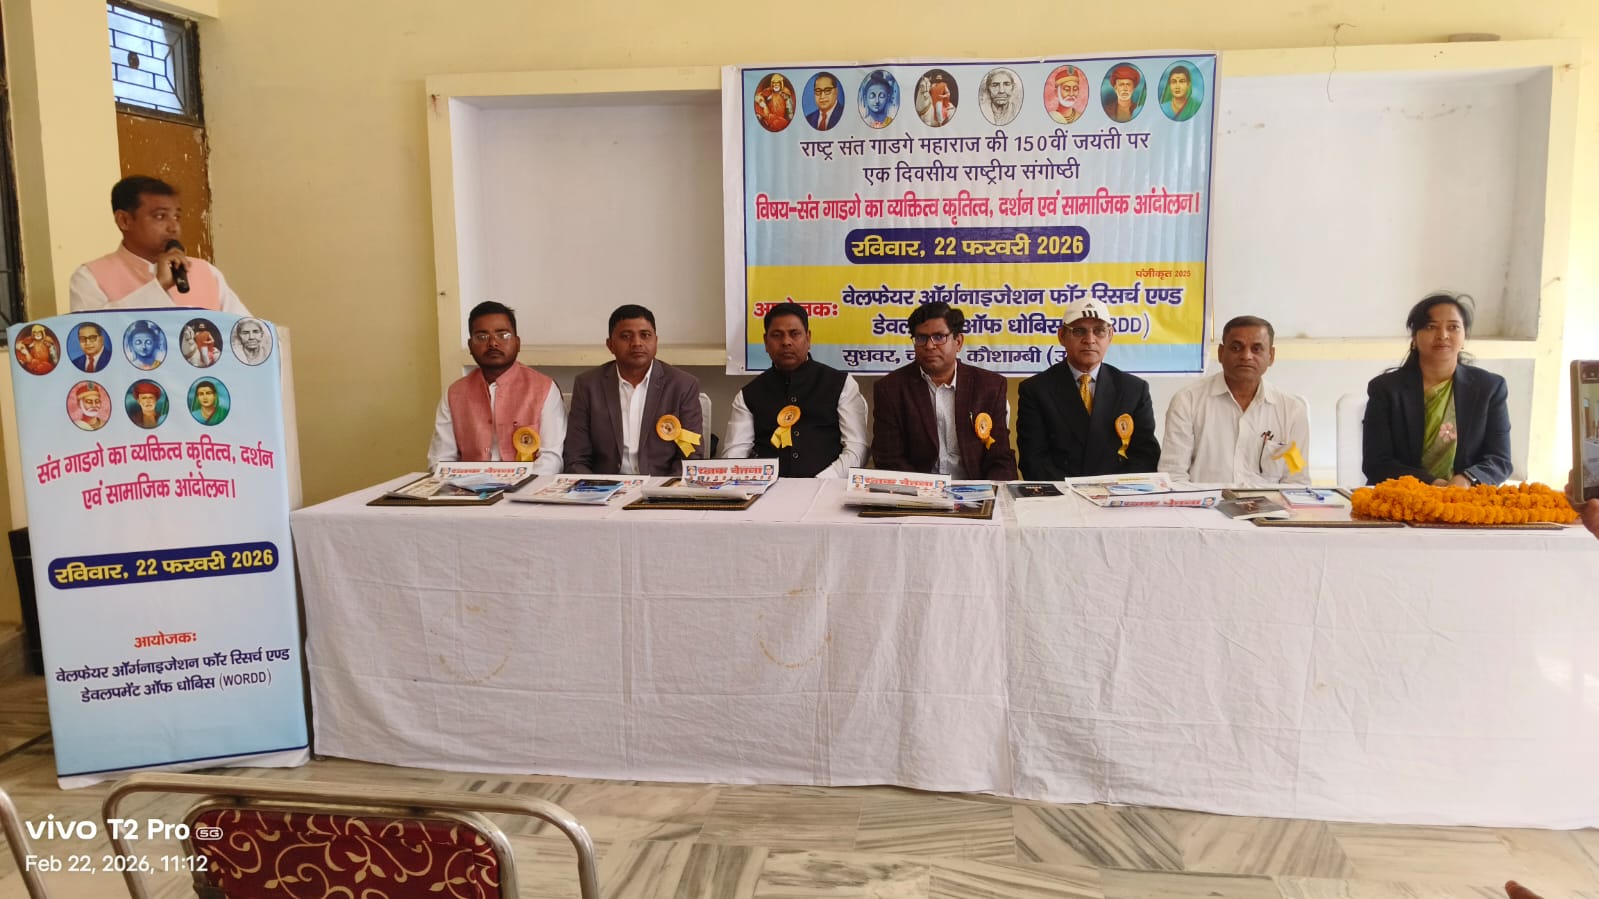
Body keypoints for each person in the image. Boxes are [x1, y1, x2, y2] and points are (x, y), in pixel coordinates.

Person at [1363, 292, 1511, 486]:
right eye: (1430, 326)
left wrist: (1467, 479)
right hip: (1405, 495)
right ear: (1414, 338)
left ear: (1464, 337)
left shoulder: (1489, 388)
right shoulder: (1385, 389)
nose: (1442, 335)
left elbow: (1500, 460)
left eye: (1453, 327)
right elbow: (1376, 463)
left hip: (1466, 496)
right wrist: (1433, 483)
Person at [1017, 297, 1160, 478]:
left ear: (1110, 336)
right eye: (1079, 331)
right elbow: (1033, 461)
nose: (1090, 340)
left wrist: (1113, 489)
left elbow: (1146, 457)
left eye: (1099, 331)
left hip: (1116, 491)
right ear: (1061, 336)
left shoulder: (1134, 390)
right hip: (1060, 492)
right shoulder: (1036, 390)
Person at [871, 302, 1017, 480]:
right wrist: (924, 490)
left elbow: (1001, 458)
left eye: (939, 337)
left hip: (975, 490)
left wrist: (989, 492)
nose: (929, 346)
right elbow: (888, 460)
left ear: (958, 341)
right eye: (921, 338)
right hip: (917, 490)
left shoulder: (989, 386)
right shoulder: (890, 389)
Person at [1159, 315, 1311, 485]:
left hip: (1270, 503)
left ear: (1271, 355)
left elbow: (1297, 481)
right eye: (1236, 348)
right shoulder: (1187, 401)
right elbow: (1173, 476)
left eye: (1256, 349)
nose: (1246, 356)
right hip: (1204, 502)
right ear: (1221, 353)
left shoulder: (1292, 410)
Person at [723, 301, 867, 477]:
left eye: (794, 334)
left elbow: (857, 449)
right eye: (777, 335)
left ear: (808, 338)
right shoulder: (749, 395)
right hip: (767, 488)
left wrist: (821, 480)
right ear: (766, 342)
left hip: (828, 487)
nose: (786, 342)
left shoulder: (841, 384)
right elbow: (734, 456)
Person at [69, 175, 250, 314]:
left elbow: (246, 332)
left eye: (177, 217)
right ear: (124, 220)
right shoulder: (90, 277)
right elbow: (91, 337)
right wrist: (158, 287)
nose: (174, 227)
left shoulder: (207, 273)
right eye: (160, 216)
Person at [563, 304, 704, 476]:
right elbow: (576, 458)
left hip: (660, 486)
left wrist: (665, 488)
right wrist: (594, 487)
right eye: (626, 336)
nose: (637, 343)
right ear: (610, 345)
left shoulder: (682, 386)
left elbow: (690, 457)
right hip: (604, 485)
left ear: (656, 341)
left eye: (645, 335)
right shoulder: (588, 385)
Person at [427, 300, 565, 474]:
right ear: (470, 346)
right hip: (466, 486)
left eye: (503, 335)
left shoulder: (544, 388)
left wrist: (514, 484)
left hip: (527, 486)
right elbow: (440, 460)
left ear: (517, 343)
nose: (493, 343)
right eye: (482, 337)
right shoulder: (454, 394)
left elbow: (551, 460)